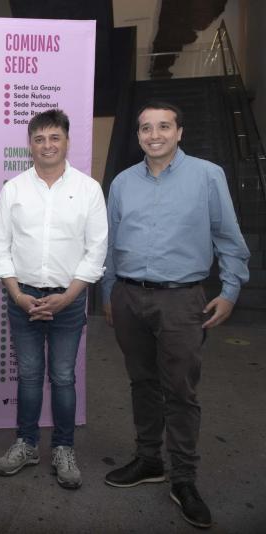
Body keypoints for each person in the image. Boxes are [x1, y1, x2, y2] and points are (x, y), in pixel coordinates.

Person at [102, 101, 249, 528]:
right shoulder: (123, 183)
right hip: (129, 297)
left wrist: (231, 290)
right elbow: (111, 243)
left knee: (180, 391)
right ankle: (149, 460)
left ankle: (184, 478)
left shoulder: (207, 176)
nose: (154, 135)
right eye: (146, 128)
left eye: (163, 126)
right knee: (142, 383)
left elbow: (228, 236)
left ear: (179, 132)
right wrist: (110, 293)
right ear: (138, 135)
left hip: (183, 301)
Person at [0, 109, 107, 489]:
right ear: (30, 144)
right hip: (22, 298)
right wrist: (18, 295)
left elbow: (96, 251)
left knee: (61, 376)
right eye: (39, 139)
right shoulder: (14, 189)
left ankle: (63, 448)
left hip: (69, 300)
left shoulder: (88, 189)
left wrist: (68, 296)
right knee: (27, 376)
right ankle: (26, 444)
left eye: (54, 138)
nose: (47, 145)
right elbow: (0, 247)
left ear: (67, 141)